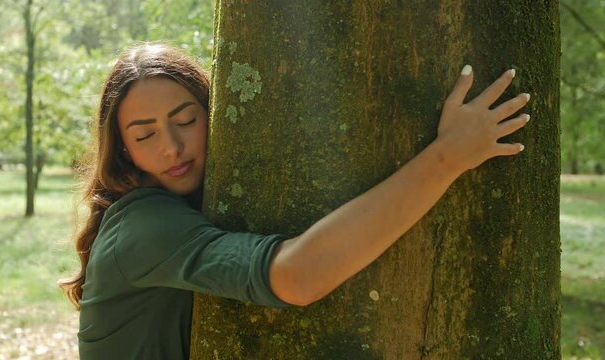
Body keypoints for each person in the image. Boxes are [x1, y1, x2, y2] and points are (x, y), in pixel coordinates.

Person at [59, 42, 531, 359]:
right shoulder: (143, 227)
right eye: (144, 135)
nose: (171, 147)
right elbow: (296, 275)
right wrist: (448, 157)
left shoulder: (180, 211)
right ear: (122, 149)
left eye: (186, 119)